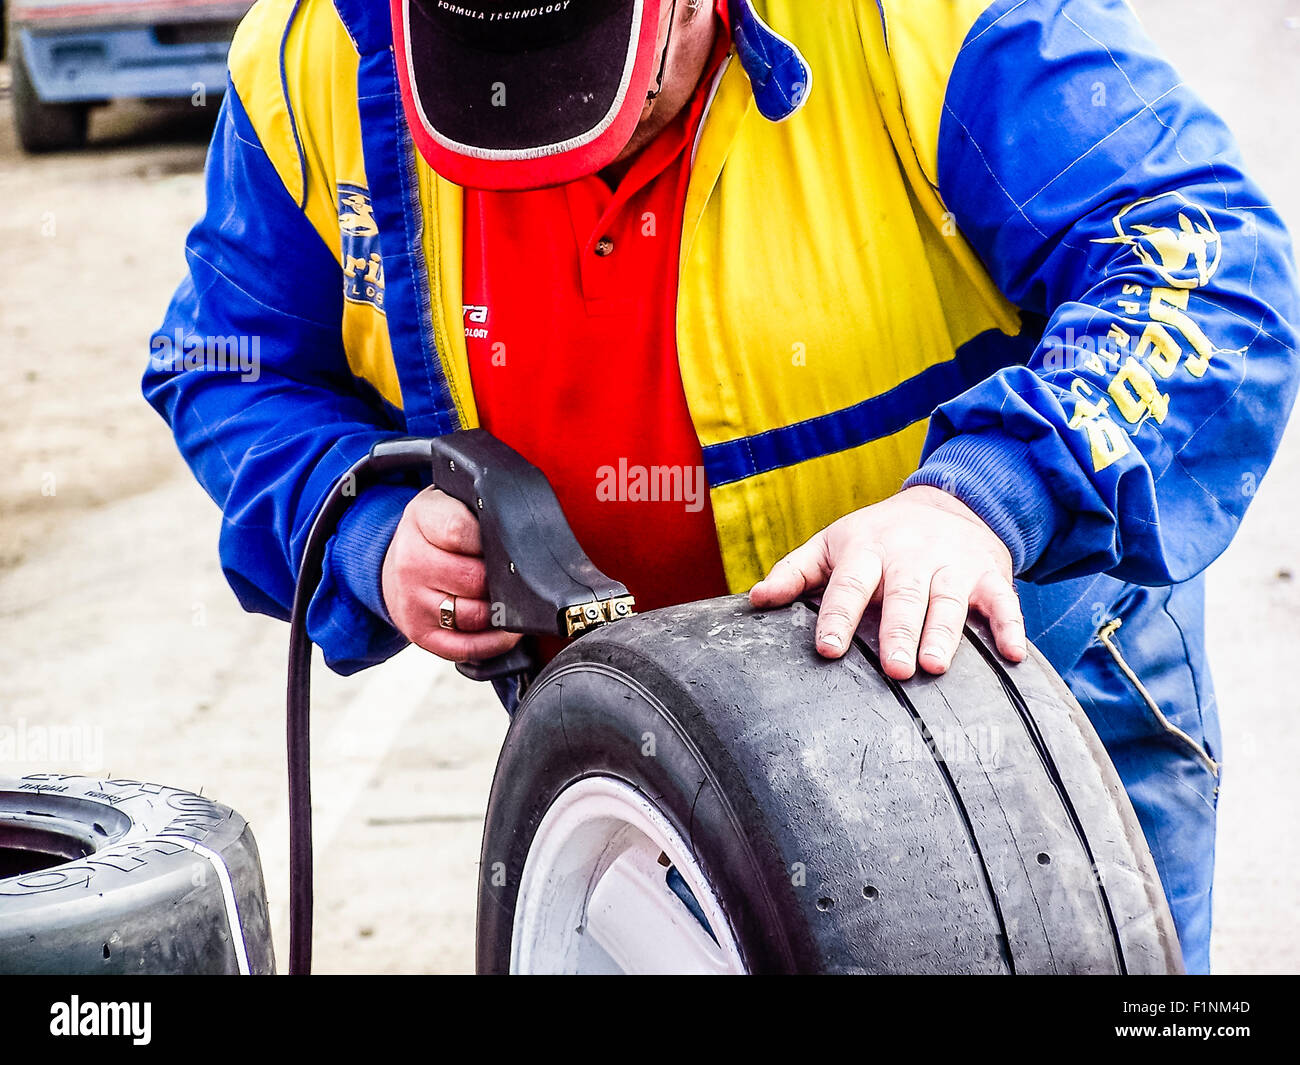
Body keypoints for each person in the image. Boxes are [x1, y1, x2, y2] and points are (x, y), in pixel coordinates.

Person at [144, 0, 1300, 974]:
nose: (546, 151)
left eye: (581, 82)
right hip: (643, 760)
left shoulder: (925, 22)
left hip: (1013, 713)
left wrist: (981, 497)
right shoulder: (309, 61)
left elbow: (1210, 267)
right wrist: (366, 526)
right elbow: (228, 366)